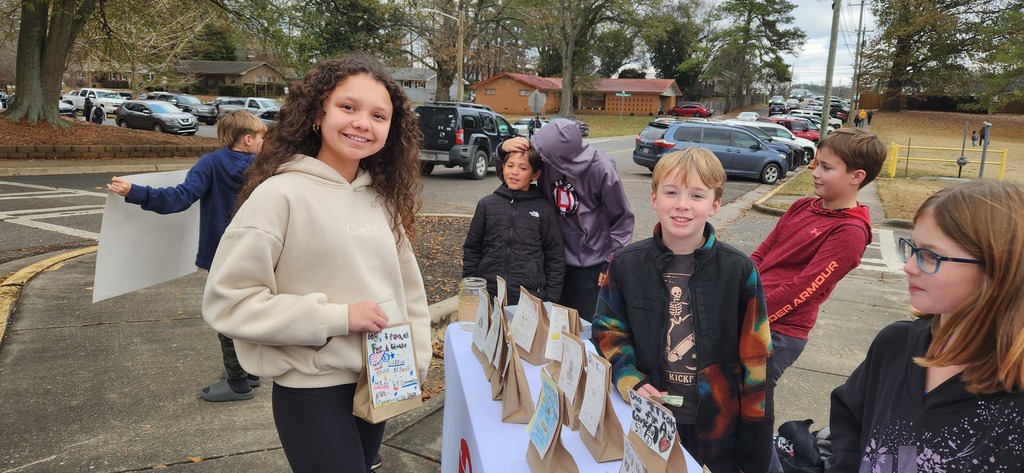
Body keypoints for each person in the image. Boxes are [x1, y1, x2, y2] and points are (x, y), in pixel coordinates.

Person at [201, 53, 430, 473]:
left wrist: (413, 363)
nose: (363, 123)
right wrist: (337, 318)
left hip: (381, 377)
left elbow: (408, 292)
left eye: (378, 115)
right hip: (312, 389)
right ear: (317, 115)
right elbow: (228, 302)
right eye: (348, 107)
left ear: (391, 129)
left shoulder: (381, 200)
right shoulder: (279, 196)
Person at [592, 148, 773, 472]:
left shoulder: (739, 271)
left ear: (715, 204)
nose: (682, 204)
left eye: (697, 195)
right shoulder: (625, 264)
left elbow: (756, 359)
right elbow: (609, 331)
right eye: (671, 192)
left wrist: (754, 447)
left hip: (718, 428)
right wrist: (630, 379)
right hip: (648, 418)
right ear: (654, 198)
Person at [827, 180, 1024, 471]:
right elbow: (849, 418)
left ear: (998, 270)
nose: (908, 266)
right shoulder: (894, 345)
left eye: (930, 256)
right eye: (913, 248)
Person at [106, 110, 267, 402]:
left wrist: (135, 192)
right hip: (257, 251)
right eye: (261, 137)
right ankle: (250, 370)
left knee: (226, 314)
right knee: (247, 308)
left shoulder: (211, 163)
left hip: (222, 252)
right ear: (247, 139)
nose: (263, 142)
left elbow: (180, 197)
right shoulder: (265, 167)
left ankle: (237, 382)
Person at [751, 127, 887, 385]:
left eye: (826, 167)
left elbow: (803, 289)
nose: (815, 172)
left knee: (746, 401)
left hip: (777, 332)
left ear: (856, 176)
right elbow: (762, 253)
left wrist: (749, 316)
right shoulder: (802, 206)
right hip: (750, 312)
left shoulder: (850, 231)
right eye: (817, 164)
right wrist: (735, 292)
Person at [500, 118, 634, 321]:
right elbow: (514, 178)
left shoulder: (602, 168)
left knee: (582, 324)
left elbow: (622, 219)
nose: (540, 157)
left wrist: (610, 262)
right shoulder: (545, 158)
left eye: (544, 154)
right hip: (551, 256)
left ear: (561, 156)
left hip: (589, 262)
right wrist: (502, 149)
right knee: (550, 322)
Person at [462, 143, 564, 305]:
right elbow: (472, 248)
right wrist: (471, 286)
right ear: (503, 168)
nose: (514, 172)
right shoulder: (486, 205)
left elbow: (555, 256)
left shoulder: (545, 210)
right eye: (510, 166)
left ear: (535, 174)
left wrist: (551, 298)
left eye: (523, 168)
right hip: (489, 293)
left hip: (529, 297)